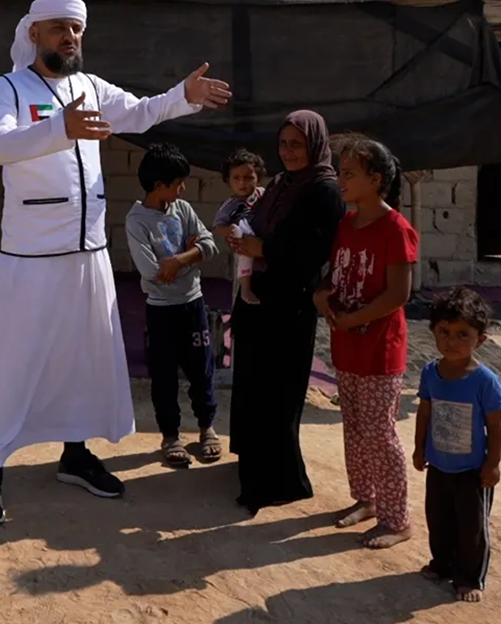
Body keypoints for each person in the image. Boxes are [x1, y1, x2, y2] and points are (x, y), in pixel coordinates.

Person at [0, 0, 232, 526]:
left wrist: (183, 95)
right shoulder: (10, 88)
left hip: (88, 255)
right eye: (60, 28)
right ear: (34, 33)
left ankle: (75, 453)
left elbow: (137, 113)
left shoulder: (88, 87)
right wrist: (56, 129)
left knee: (82, 360)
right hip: (31, 256)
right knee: (15, 360)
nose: (71, 37)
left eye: (78, 29)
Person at [228, 111, 345, 516]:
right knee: (252, 383)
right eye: (283, 144)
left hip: (288, 304)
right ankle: (252, 466)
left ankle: (278, 481)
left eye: (297, 144)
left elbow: (313, 254)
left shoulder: (324, 191)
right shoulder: (280, 184)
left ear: (315, 144)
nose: (289, 152)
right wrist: (241, 238)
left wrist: (263, 249)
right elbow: (255, 225)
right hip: (258, 297)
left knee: (277, 393)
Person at [314, 134, 418, 549]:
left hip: (379, 351)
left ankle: (397, 519)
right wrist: (323, 294)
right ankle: (366, 500)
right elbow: (336, 273)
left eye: (350, 173)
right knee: (354, 429)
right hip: (347, 346)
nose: (341, 179)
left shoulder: (397, 229)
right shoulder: (346, 223)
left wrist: (354, 317)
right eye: (340, 172)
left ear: (375, 179)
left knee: (380, 433)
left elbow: (398, 295)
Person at [124, 143, 221, 467]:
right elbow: (153, 273)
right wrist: (193, 258)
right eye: (178, 183)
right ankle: (171, 436)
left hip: (193, 305)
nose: (182, 189)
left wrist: (181, 259)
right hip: (161, 311)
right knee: (164, 376)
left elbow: (209, 245)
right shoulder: (137, 221)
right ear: (158, 186)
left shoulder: (183, 209)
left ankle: (207, 428)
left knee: (201, 371)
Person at [413, 287, 501, 603]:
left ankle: (469, 577)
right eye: (444, 332)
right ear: (433, 331)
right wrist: (419, 447)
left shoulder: (485, 381)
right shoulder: (430, 373)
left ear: (480, 340)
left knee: (472, 529)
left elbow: (495, 427)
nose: (451, 342)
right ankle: (441, 565)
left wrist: (492, 464)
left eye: (462, 334)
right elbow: (425, 412)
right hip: (438, 465)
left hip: (472, 472)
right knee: (438, 520)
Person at [212, 148, 266, 305]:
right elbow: (218, 225)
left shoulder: (263, 194)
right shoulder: (230, 205)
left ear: (258, 178)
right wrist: (229, 231)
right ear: (228, 181)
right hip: (245, 241)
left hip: (263, 240)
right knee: (243, 245)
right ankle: (245, 289)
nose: (242, 183)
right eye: (236, 178)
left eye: (248, 177)